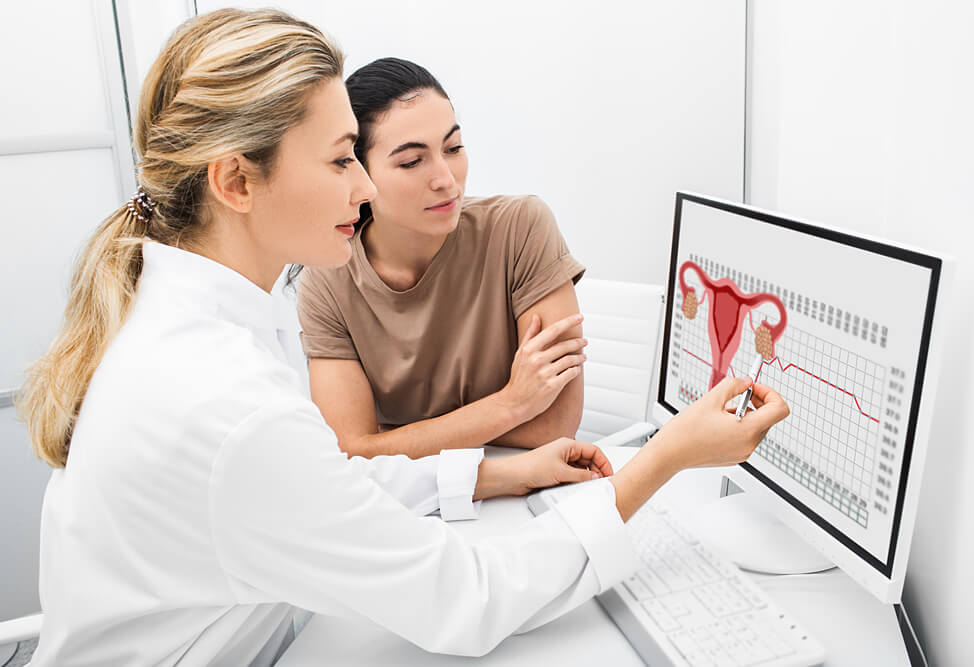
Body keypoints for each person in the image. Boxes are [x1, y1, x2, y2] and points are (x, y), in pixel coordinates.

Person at [17, 9, 789, 664]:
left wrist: (492, 476)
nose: (364, 188)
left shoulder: (197, 321)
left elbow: (324, 480)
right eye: (341, 159)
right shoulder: (226, 398)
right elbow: (467, 599)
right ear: (236, 182)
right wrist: (667, 456)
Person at [296, 58, 589, 458]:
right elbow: (350, 451)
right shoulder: (328, 279)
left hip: (527, 485)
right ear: (359, 173)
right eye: (412, 161)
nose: (446, 180)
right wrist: (513, 403)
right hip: (413, 502)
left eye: (453, 148)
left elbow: (553, 427)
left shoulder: (520, 228)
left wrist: (394, 438)